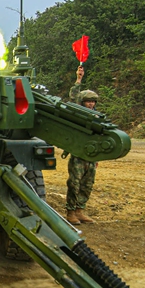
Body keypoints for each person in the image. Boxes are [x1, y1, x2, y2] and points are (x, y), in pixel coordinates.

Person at [66, 66, 99, 225]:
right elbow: (73, 97)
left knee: (87, 184)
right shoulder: (77, 113)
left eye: (93, 101)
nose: (91, 104)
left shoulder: (97, 117)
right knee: (74, 183)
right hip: (78, 154)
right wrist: (78, 79)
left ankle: (80, 210)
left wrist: (98, 157)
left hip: (91, 156)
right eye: (88, 101)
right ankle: (71, 212)